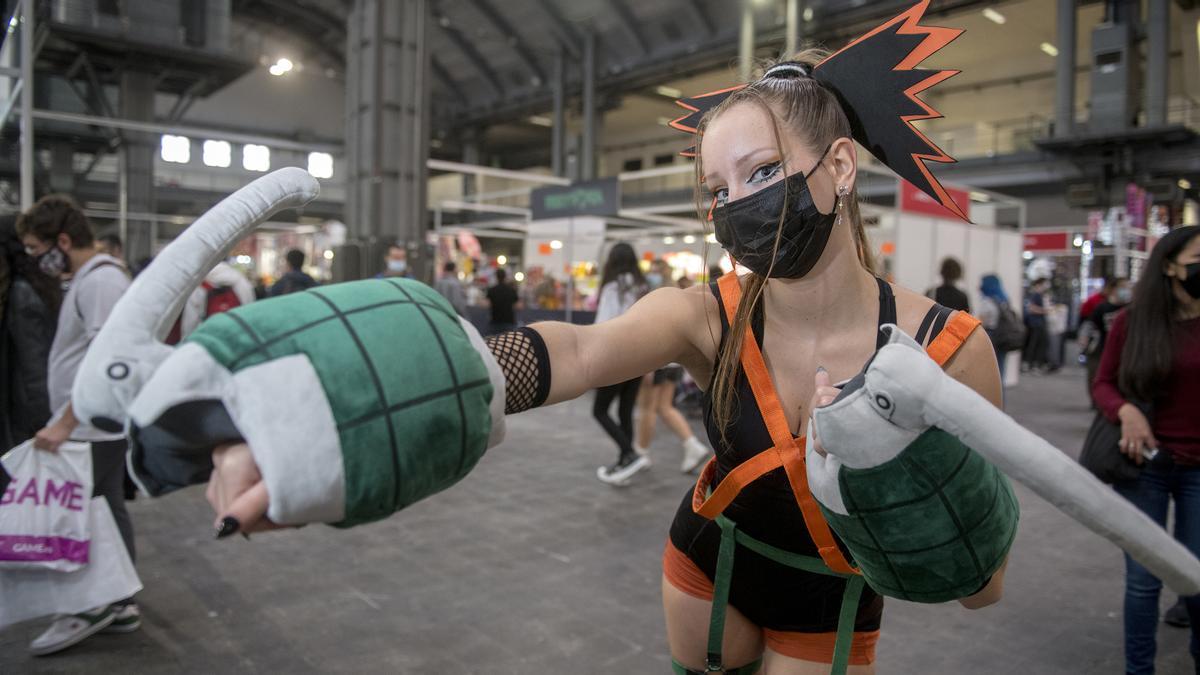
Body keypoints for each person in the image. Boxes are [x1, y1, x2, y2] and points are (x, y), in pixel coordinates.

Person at [79, 9, 1017, 673]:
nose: (737, 205)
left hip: (832, 604)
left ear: (840, 166)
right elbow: (570, 352)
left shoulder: (949, 348)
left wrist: (938, 526)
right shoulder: (706, 313)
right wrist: (374, 396)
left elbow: (984, 585)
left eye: (763, 171)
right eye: (718, 188)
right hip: (705, 563)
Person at [16, 194, 140, 654]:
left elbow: (108, 361)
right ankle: (119, 600)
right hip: (90, 424)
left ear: (62, 241)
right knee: (104, 507)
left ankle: (93, 604)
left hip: (88, 426)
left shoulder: (101, 283)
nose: (33, 258)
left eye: (35, 247)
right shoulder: (88, 280)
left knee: (86, 512)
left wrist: (66, 423)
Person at [1092, 225, 1200, 675]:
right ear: (1171, 265)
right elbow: (1103, 383)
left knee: (1195, 579)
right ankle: (1140, 670)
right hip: (1145, 465)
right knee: (1142, 581)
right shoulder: (1134, 321)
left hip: (1199, 471)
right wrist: (1126, 413)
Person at [591, 242, 651, 485]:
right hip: (639, 356)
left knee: (600, 410)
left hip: (615, 356)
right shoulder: (642, 287)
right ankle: (626, 461)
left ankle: (630, 454)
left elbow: (603, 324)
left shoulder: (612, 288)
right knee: (625, 410)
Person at [0, 216, 59, 449]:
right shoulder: (27, 290)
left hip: (19, 419)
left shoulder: (20, 295)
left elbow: (33, 364)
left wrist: (43, 421)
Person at [634, 361, 711, 474]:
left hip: (654, 364)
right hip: (674, 363)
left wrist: (646, 368)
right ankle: (692, 445)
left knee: (647, 409)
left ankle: (640, 455)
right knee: (664, 407)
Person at [1082, 277, 1130, 404]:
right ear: (1113, 289)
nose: (1126, 290)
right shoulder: (1102, 307)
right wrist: (1085, 340)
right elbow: (1090, 325)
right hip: (1101, 349)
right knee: (1098, 375)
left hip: (1125, 350)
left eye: (1128, 287)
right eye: (1123, 287)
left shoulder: (1130, 309)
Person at [178, 261, 257, 339]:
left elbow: (191, 319)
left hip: (208, 336)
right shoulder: (241, 281)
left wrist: (186, 339)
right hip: (236, 334)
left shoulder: (201, 284)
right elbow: (250, 308)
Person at [976, 274, 1013, 383]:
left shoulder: (987, 302)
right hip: (1004, 336)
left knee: (989, 372)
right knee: (1000, 371)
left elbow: (981, 322)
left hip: (990, 336)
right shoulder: (1004, 300)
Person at [1022, 277, 1050, 372]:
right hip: (1035, 324)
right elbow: (1031, 308)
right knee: (1034, 344)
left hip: (1038, 323)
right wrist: (1044, 311)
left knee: (1037, 344)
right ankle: (1030, 364)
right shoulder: (1035, 295)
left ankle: (1033, 364)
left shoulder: (1039, 295)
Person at [485, 268, 519, 334]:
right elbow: (518, 305)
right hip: (509, 321)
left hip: (495, 321)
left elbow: (487, 304)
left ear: (496, 277)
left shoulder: (492, 290)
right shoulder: (511, 290)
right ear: (505, 276)